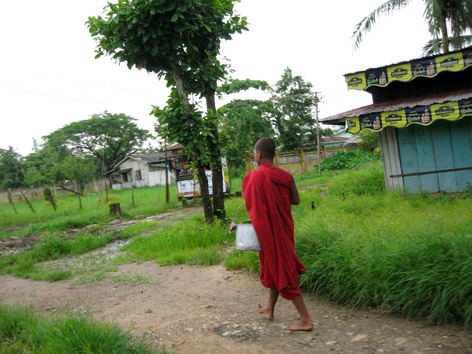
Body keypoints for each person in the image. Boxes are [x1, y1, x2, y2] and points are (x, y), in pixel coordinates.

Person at [242, 137, 313, 331]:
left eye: (254, 153)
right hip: (284, 229)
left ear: (258, 154)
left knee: (284, 269)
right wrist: (276, 203)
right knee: (276, 266)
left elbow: (252, 203)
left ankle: (306, 320)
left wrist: (267, 206)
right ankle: (269, 309)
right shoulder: (286, 174)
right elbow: (295, 200)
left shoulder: (254, 177)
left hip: (269, 232)